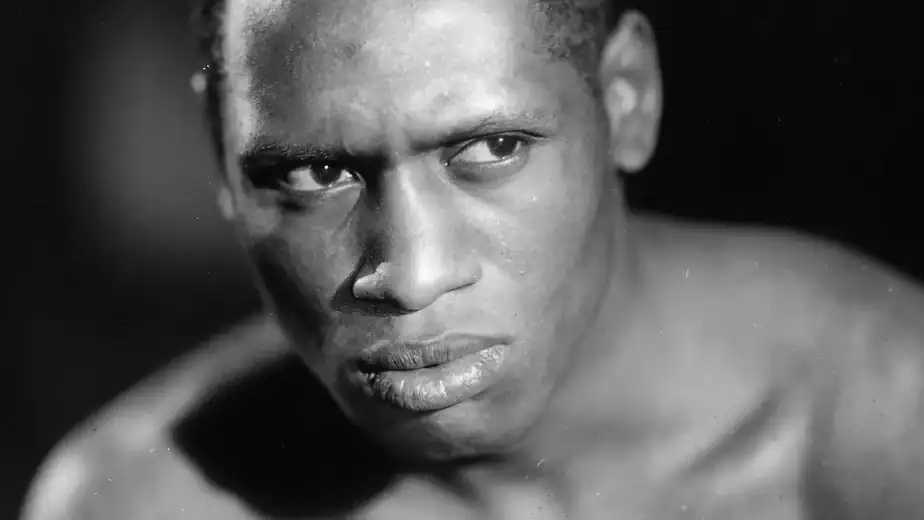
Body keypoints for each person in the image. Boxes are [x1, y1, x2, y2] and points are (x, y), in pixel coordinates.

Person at [22, 0, 924, 518]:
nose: (412, 275)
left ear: (627, 100)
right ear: (220, 160)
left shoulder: (881, 431)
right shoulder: (141, 502)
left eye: (491, 149)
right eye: (315, 173)